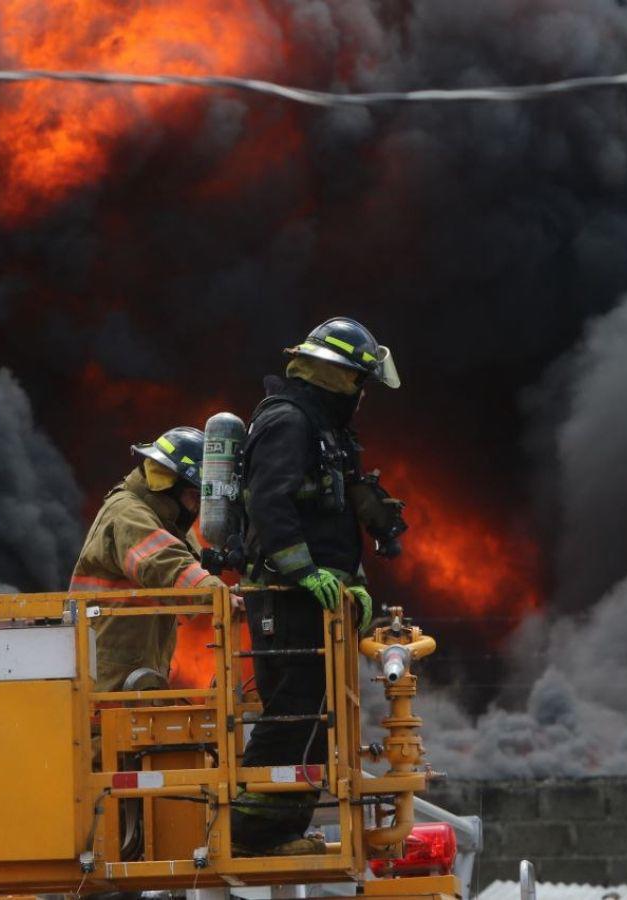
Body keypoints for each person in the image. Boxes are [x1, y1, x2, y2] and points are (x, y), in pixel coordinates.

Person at [230, 317, 400, 856]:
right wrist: (304, 570)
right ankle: (249, 834)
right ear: (332, 374)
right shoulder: (288, 421)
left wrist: (356, 580)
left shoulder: (328, 429)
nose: (361, 394)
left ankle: (278, 829)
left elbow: (334, 521)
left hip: (316, 598)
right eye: (358, 380)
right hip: (285, 596)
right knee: (294, 710)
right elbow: (268, 503)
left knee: (315, 716)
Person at [71, 426, 230, 692]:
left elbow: (193, 562)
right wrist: (219, 595)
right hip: (105, 676)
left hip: (133, 670)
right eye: (194, 497)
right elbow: (163, 563)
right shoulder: (127, 513)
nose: (197, 509)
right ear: (167, 485)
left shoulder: (166, 521)